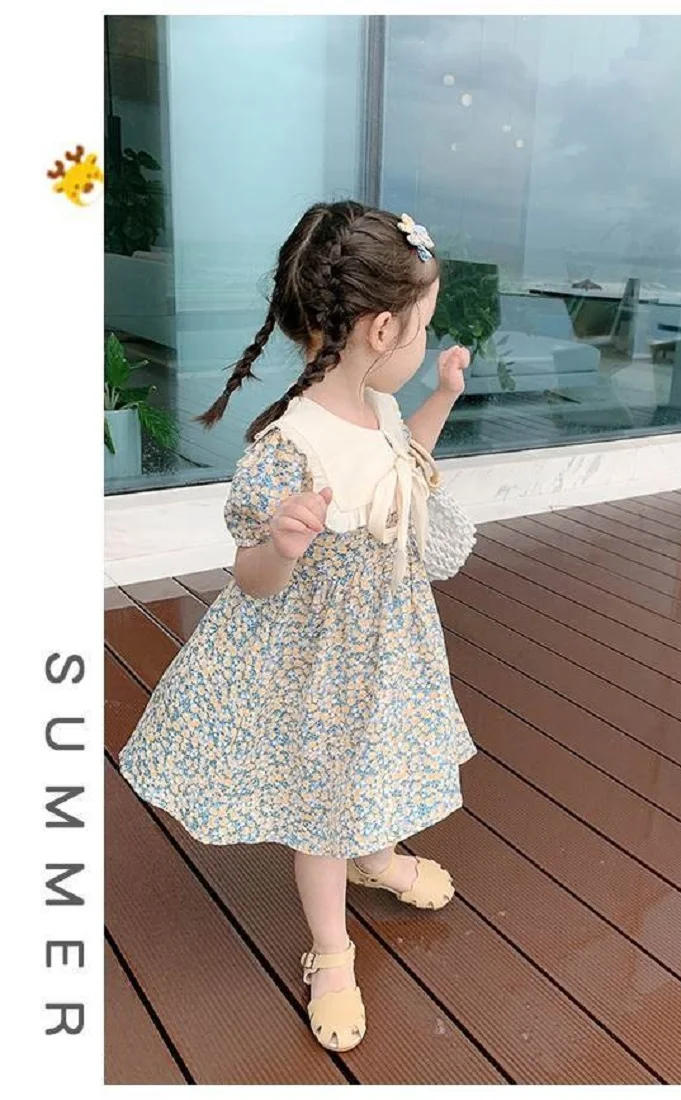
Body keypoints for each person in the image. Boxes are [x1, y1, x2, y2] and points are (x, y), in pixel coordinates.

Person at [119, 200, 476, 1053]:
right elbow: (250, 579)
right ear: (382, 329)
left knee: (373, 759)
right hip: (319, 658)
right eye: (423, 325)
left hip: (384, 642)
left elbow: (406, 467)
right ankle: (330, 949)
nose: (426, 342)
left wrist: (441, 396)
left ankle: (374, 855)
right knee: (324, 798)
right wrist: (280, 543)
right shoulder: (291, 444)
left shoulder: (381, 406)